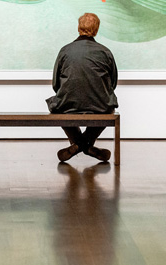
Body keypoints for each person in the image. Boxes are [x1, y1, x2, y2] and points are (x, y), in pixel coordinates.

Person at [46, 13, 118, 163]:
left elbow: (55, 84)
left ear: (78, 28)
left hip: (68, 104)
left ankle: (78, 144)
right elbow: (112, 84)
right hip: (100, 105)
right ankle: (87, 144)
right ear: (97, 29)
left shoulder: (65, 51)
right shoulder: (105, 52)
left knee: (57, 107)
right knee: (108, 107)